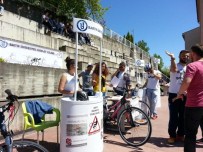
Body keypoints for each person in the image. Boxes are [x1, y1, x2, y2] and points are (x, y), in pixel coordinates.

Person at [174, 44, 203, 152]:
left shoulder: (192, 66)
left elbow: (187, 81)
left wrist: (179, 93)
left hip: (194, 105)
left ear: (193, 54)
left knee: (190, 135)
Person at [165, 49, 190, 144]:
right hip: (174, 94)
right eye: (184, 55)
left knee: (183, 117)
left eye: (187, 56)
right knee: (174, 116)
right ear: (180, 56)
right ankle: (172, 135)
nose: (186, 57)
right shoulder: (175, 64)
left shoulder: (189, 67)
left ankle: (181, 134)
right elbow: (173, 70)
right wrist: (172, 59)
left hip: (185, 95)